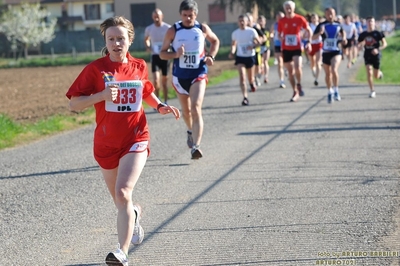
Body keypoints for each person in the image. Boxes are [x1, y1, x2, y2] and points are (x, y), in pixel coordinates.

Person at [65, 16, 180, 266]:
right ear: (105, 41)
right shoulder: (95, 69)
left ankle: (122, 252)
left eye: (121, 38)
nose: (117, 43)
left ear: (130, 40)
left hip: (136, 137)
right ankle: (135, 214)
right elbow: (74, 104)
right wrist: (102, 95)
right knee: (122, 202)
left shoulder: (138, 66)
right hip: (106, 144)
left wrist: (160, 106)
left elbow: (146, 91)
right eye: (111, 39)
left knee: (123, 191)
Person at [159, 0, 220, 159]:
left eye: (190, 15)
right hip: (180, 76)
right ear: (180, 15)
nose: (187, 18)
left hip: (198, 73)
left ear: (196, 15)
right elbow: (162, 53)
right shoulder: (173, 31)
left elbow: (215, 41)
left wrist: (210, 56)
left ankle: (196, 146)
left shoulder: (202, 29)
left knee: (196, 107)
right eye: (185, 15)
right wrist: (175, 55)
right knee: (186, 112)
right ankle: (190, 131)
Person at [278, 0, 313, 102]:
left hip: (297, 47)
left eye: (290, 8)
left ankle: (299, 84)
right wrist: (281, 39)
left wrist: (309, 42)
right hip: (286, 48)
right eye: (286, 8)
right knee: (290, 72)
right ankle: (295, 91)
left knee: (297, 67)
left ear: (293, 8)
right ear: (284, 9)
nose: (288, 10)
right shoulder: (282, 21)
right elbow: (279, 34)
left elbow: (309, 30)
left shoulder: (299, 19)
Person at [313, 7, 347, 103]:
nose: (330, 15)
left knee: (334, 69)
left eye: (332, 13)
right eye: (328, 14)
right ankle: (329, 91)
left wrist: (344, 38)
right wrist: (320, 33)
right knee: (328, 74)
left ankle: (336, 90)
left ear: (335, 14)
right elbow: (313, 37)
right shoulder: (321, 25)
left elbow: (343, 32)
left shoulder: (338, 24)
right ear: (325, 15)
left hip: (336, 51)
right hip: (326, 52)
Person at [229, 14, 260, 106]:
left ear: (247, 22)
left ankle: (252, 83)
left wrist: (253, 46)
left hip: (250, 56)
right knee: (242, 76)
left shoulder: (252, 31)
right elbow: (234, 44)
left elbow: (258, 43)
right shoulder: (235, 33)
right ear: (238, 22)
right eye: (240, 21)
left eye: (243, 21)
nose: (242, 22)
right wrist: (232, 52)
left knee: (250, 78)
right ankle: (245, 97)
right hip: (240, 57)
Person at [144, 8, 171, 104]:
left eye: (158, 17)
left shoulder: (168, 28)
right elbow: (146, 39)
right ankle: (158, 99)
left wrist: (169, 46)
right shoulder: (149, 28)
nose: (156, 19)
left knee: (164, 81)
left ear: (162, 17)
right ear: (152, 17)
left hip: (165, 56)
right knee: (156, 80)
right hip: (155, 56)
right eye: (154, 17)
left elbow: (172, 39)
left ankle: (166, 100)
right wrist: (148, 46)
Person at [357, 16, 387, 98]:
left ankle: (379, 73)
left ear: (374, 23)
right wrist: (360, 46)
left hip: (376, 55)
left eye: (372, 21)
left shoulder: (378, 33)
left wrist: (378, 49)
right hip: (367, 54)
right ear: (366, 23)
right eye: (368, 21)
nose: (370, 23)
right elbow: (358, 44)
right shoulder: (363, 34)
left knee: (376, 76)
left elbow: (385, 44)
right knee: (369, 71)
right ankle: (372, 90)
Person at [246, 12, 265, 87]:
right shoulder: (243, 30)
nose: (248, 22)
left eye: (249, 20)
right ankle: (252, 81)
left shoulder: (255, 29)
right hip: (246, 53)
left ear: (252, 21)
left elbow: (264, 37)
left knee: (257, 68)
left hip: (256, 51)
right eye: (247, 20)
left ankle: (256, 77)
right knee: (250, 68)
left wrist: (256, 43)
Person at [270, 12, 286, 88]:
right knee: (280, 62)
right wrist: (271, 36)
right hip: (277, 44)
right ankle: (281, 80)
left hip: (286, 45)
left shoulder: (286, 23)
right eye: (278, 17)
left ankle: (286, 69)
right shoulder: (274, 25)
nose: (280, 19)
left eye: (281, 17)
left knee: (286, 61)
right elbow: (271, 33)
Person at [307, 13, 323, 86]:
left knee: (318, 62)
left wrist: (319, 34)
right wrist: (318, 34)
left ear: (317, 19)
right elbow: (312, 37)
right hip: (311, 45)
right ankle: (313, 70)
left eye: (315, 18)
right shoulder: (309, 26)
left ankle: (316, 79)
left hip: (319, 44)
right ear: (311, 19)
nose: (314, 19)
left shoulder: (321, 26)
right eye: (312, 18)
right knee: (312, 62)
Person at [257, 15, 271, 84]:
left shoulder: (267, 29)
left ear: (265, 22)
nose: (260, 22)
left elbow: (267, 37)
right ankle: (260, 74)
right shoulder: (256, 30)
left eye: (262, 21)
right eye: (259, 21)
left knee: (265, 62)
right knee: (260, 63)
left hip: (266, 47)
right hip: (259, 47)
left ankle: (266, 76)